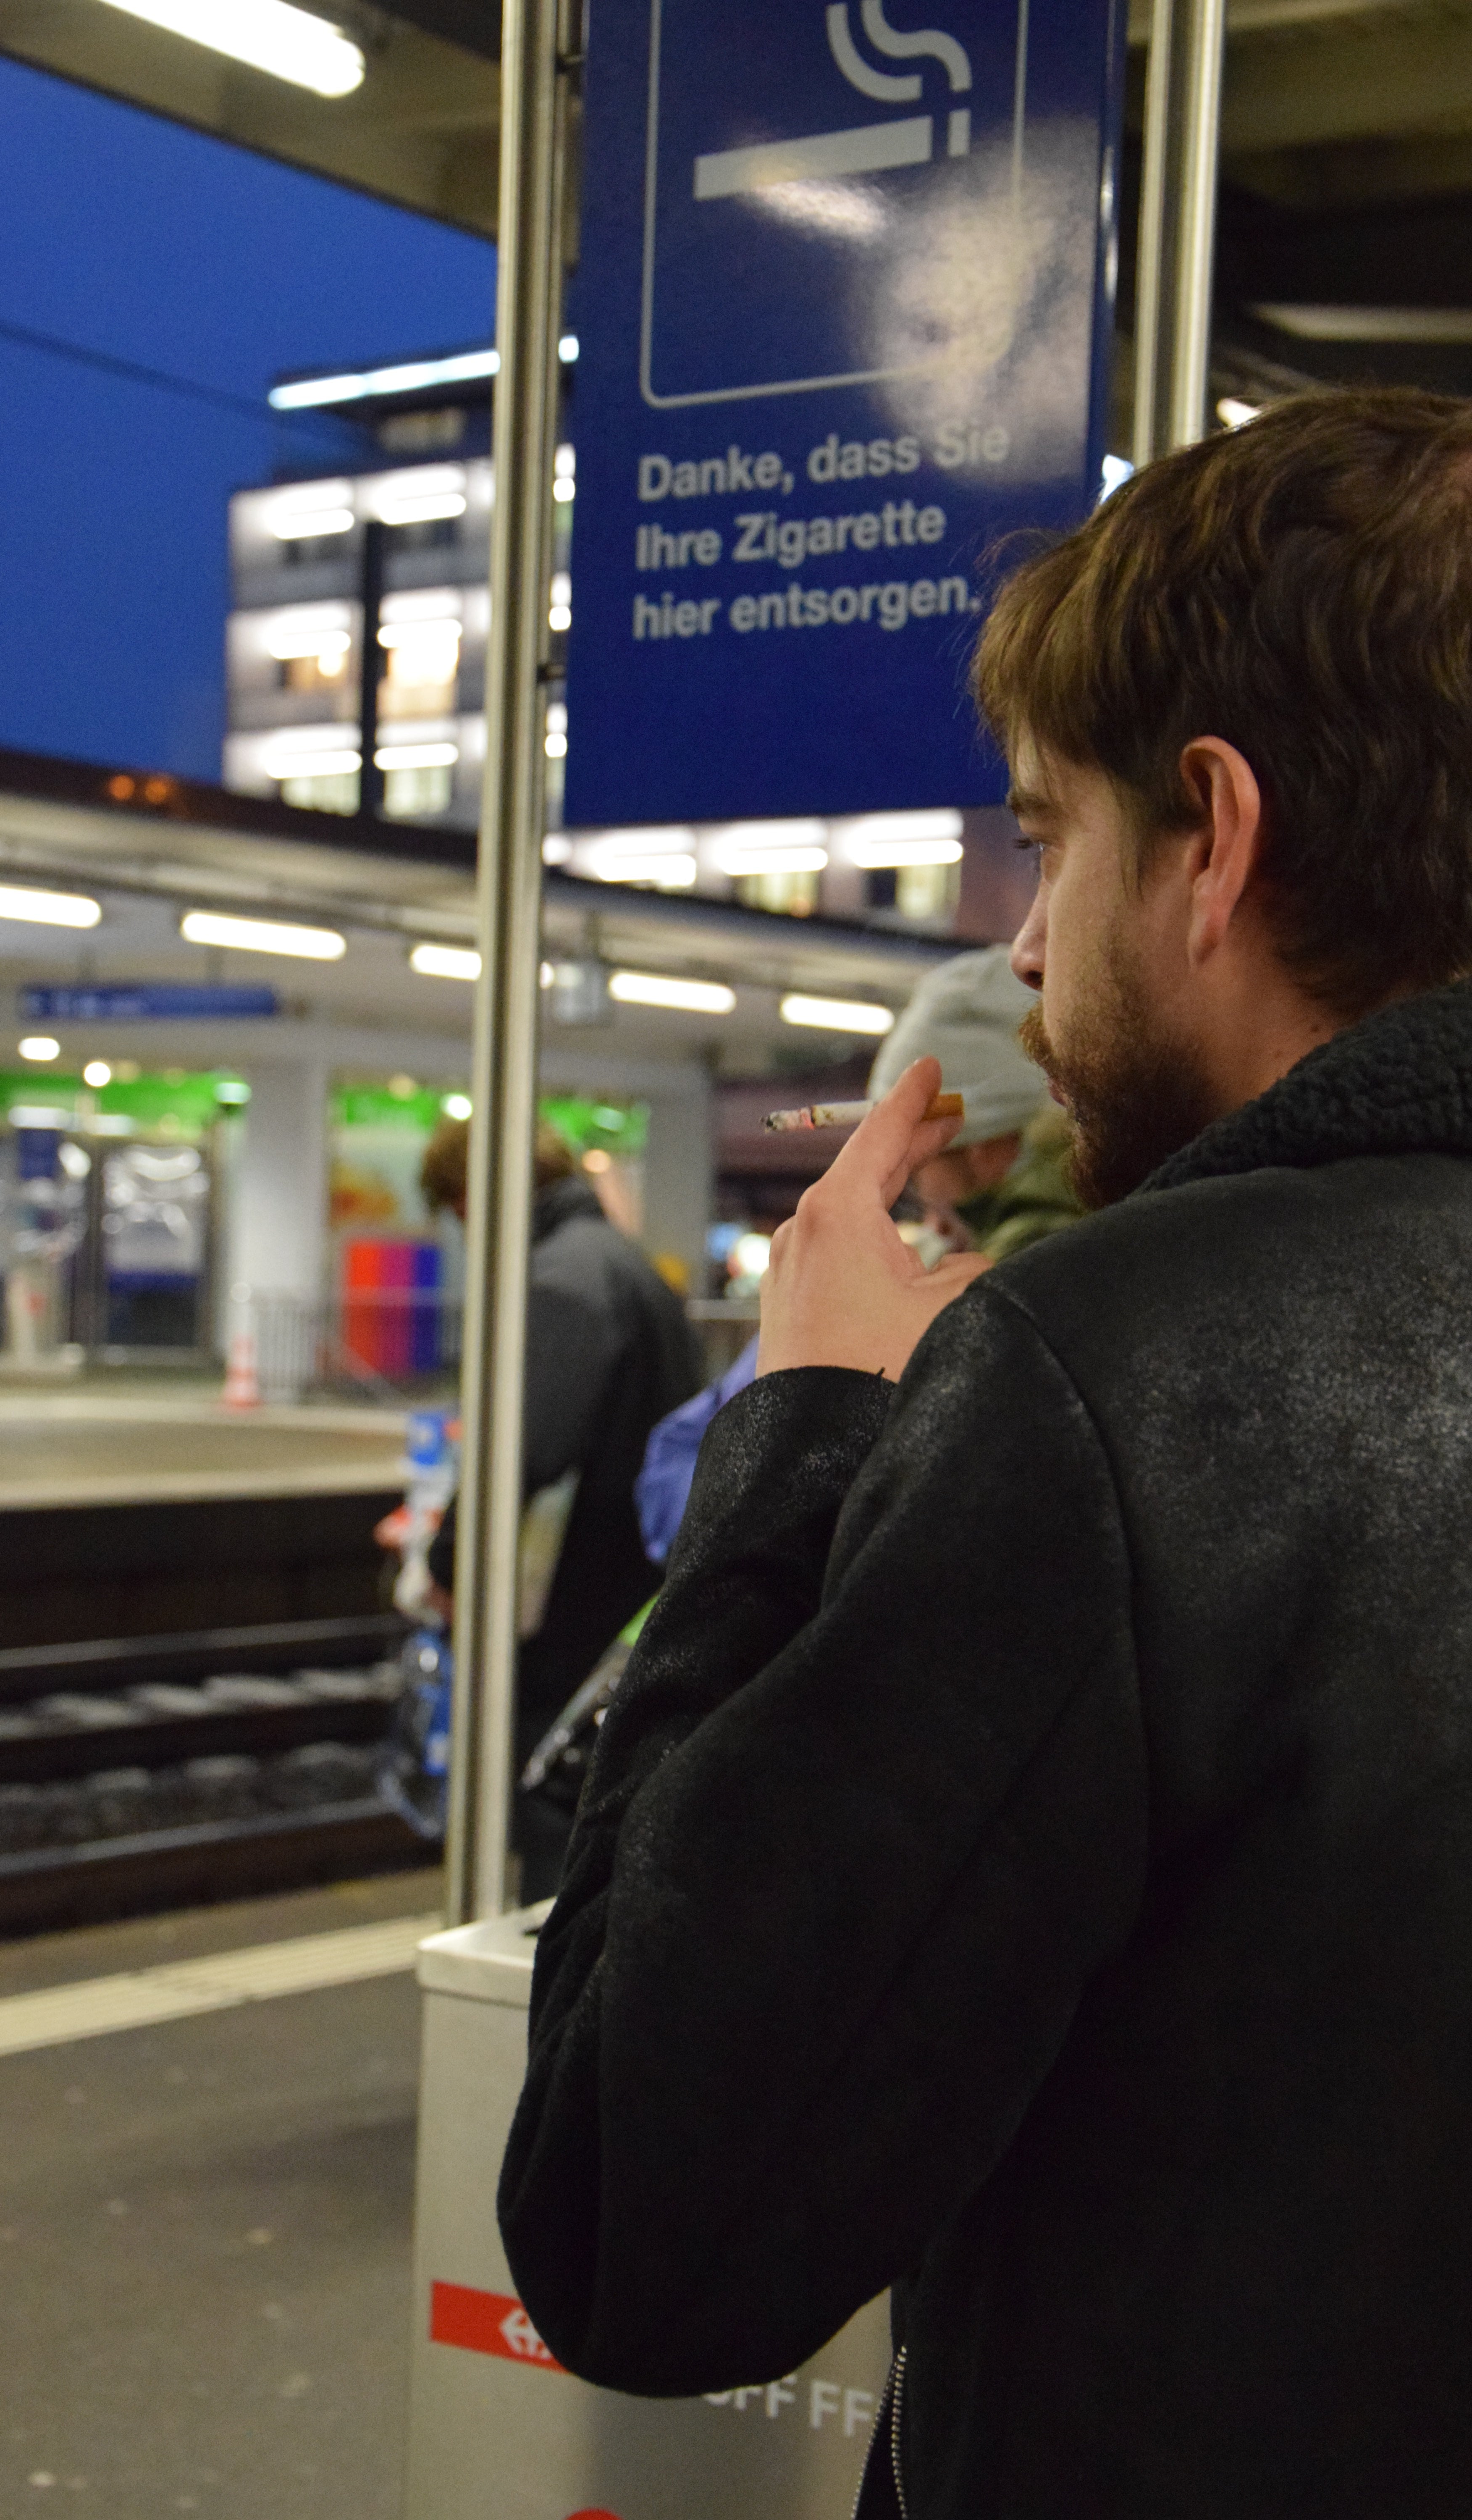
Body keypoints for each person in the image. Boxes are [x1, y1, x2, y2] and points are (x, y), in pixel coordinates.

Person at [499, 388, 1472, 2516]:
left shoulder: (1118, 1375)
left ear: (1210, 839)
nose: (1023, 948)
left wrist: (805, 1434)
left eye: (1049, 836)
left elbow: (635, 2221)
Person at [635, 945, 1081, 1564]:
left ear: (988, 1146)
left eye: (924, 1164)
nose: (924, 1209)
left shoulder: (984, 1297)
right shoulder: (903, 1283)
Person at [420, 1114, 701, 1898]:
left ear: (474, 1194)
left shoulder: (562, 1279)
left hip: (578, 1600)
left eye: (456, 1211)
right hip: (631, 1583)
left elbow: (524, 1447)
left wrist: (448, 1561)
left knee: (554, 1815)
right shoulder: (622, 1263)